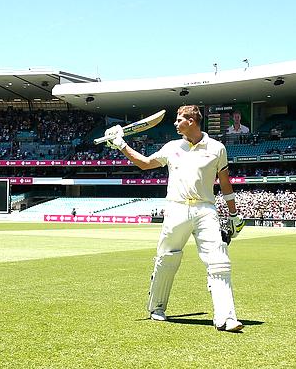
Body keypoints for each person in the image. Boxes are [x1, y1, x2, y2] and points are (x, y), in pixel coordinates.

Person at [105, 105, 245, 332]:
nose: (175, 123)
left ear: (192, 121)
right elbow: (145, 163)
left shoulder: (217, 148)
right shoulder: (171, 147)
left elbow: (225, 183)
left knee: (219, 261)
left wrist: (233, 214)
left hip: (205, 209)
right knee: (166, 258)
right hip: (176, 208)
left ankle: (226, 318)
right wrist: (121, 144)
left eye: (180, 119)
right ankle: (157, 308)